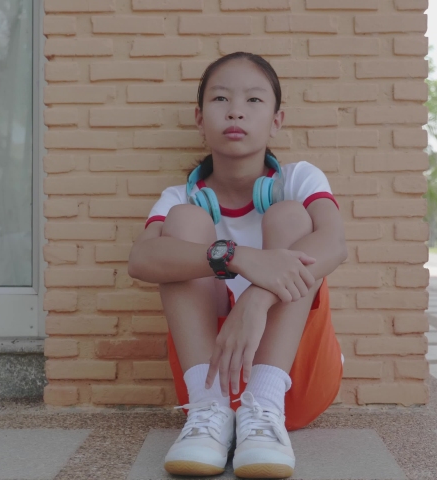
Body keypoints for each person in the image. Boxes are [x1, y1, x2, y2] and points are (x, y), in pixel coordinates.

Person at [128, 52, 347, 479]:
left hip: (296, 382)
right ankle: (208, 413)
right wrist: (238, 257)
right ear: (199, 118)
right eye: (220, 99)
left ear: (277, 120)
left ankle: (264, 405)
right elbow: (142, 259)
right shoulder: (180, 198)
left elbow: (335, 244)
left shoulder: (299, 179)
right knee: (182, 226)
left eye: (253, 100)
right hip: (210, 384)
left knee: (290, 217)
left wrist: (256, 300)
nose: (235, 111)